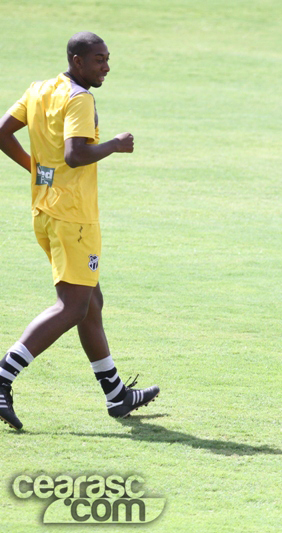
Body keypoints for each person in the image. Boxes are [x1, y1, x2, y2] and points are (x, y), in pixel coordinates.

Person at [0, 32, 159, 430]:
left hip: (45, 211)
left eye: (107, 58)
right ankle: (2, 377)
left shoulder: (39, 89)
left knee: (90, 301)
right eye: (99, 59)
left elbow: (2, 131)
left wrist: (37, 170)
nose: (106, 67)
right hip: (74, 219)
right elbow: (75, 154)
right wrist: (115, 145)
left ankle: (116, 394)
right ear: (77, 61)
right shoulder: (80, 98)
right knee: (72, 306)